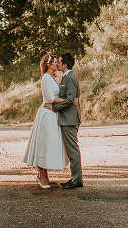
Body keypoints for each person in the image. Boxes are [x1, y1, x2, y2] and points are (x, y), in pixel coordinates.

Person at [23, 53, 66, 188]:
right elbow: (51, 99)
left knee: (49, 146)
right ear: (48, 65)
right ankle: (41, 176)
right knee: (43, 145)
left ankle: (44, 176)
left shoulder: (53, 78)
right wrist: (69, 101)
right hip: (47, 115)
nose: (57, 64)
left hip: (53, 113)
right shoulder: (46, 79)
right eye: (54, 62)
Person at [49, 52, 83, 189]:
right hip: (68, 118)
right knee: (71, 150)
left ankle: (77, 180)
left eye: (60, 62)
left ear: (65, 64)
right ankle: (75, 178)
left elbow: (70, 99)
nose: (58, 64)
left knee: (72, 150)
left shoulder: (70, 78)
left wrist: (55, 107)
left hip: (70, 119)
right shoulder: (66, 77)